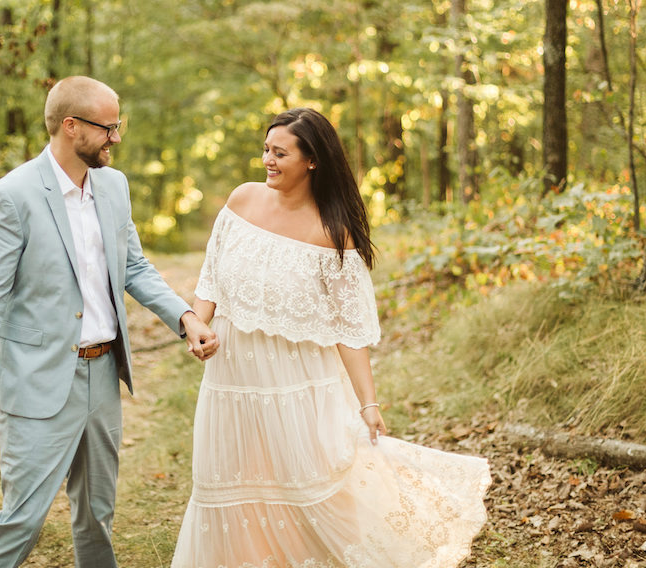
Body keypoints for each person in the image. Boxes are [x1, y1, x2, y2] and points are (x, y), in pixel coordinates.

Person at [171, 108, 491, 568]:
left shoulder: (332, 234)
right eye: (266, 150)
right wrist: (198, 324)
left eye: (280, 153)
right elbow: (211, 281)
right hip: (231, 383)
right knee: (232, 482)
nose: (268, 160)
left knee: (307, 485)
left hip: (297, 385)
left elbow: (349, 330)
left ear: (312, 161)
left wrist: (369, 403)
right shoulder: (241, 200)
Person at [0, 75, 219, 568]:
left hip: (103, 376)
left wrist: (184, 317)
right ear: (71, 127)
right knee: (22, 521)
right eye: (109, 127)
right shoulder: (11, 196)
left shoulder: (114, 186)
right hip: (38, 380)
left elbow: (134, 267)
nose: (117, 137)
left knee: (97, 514)